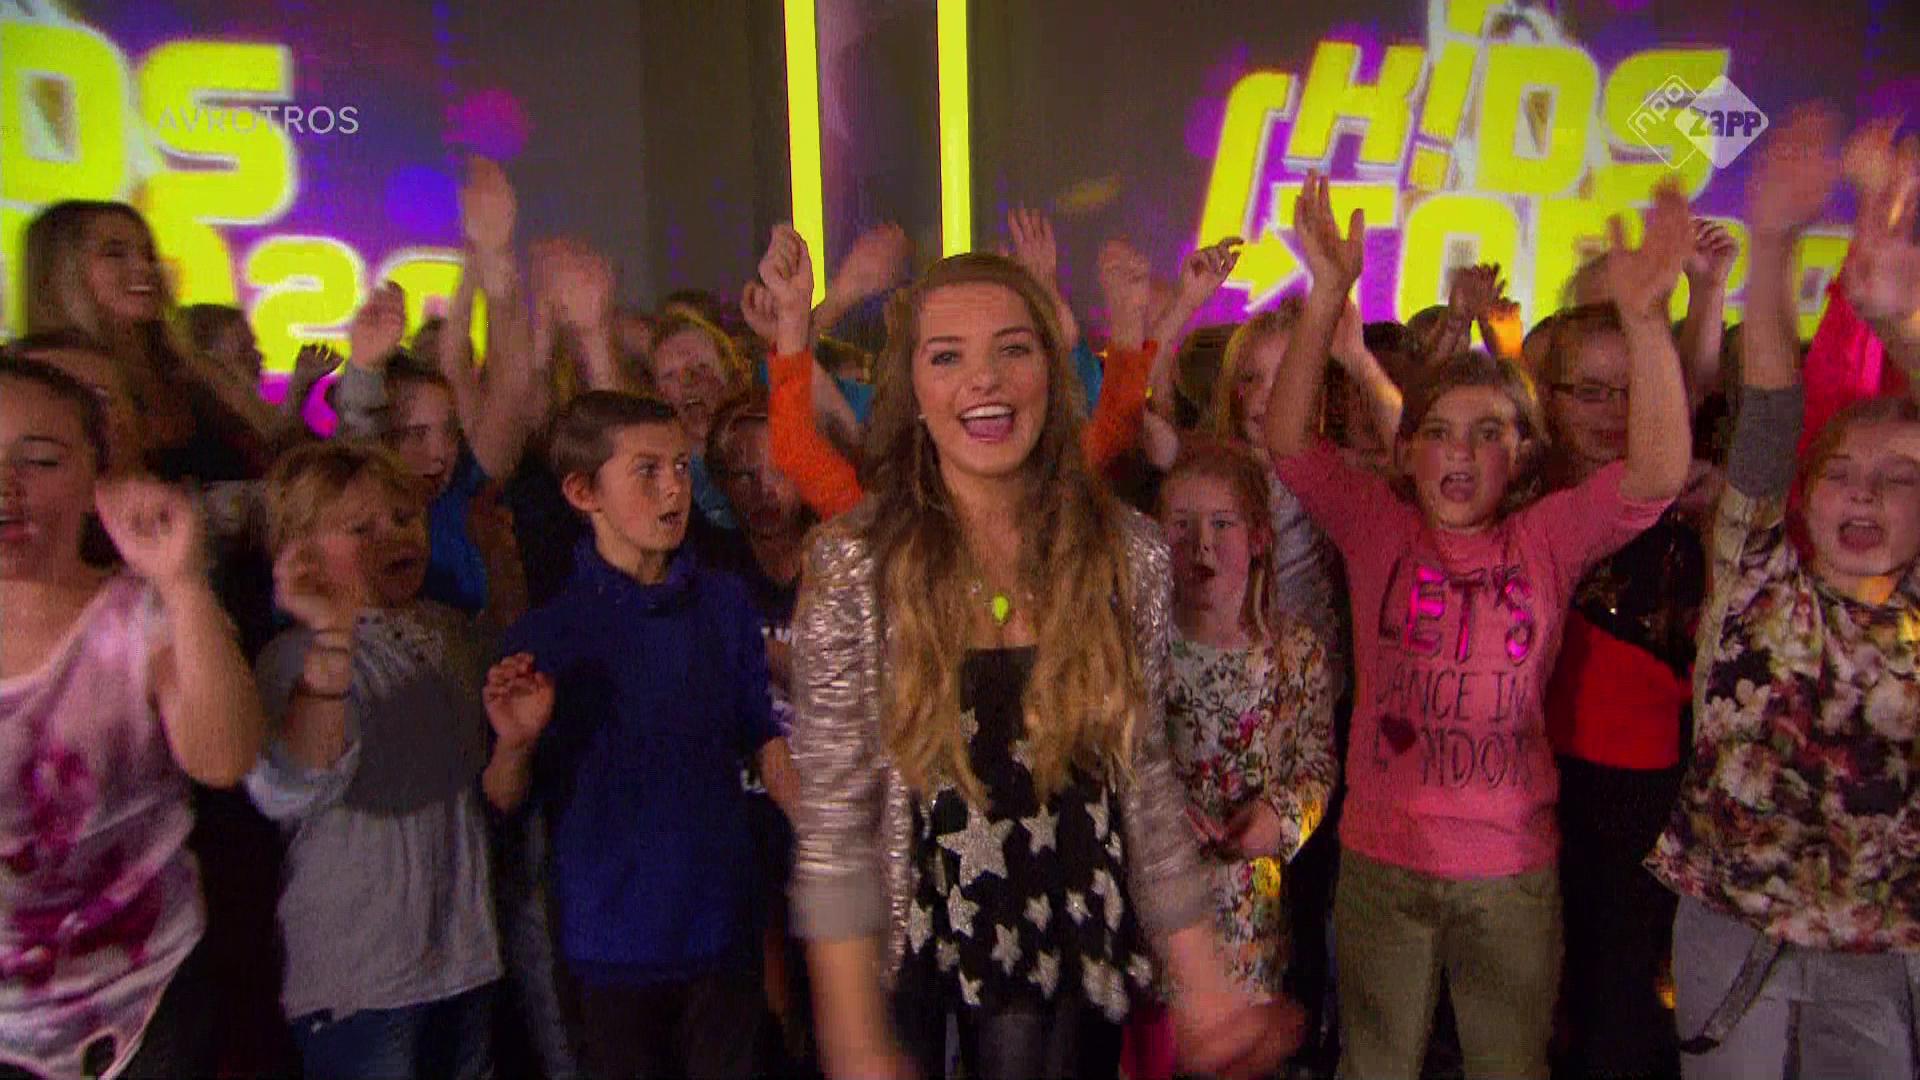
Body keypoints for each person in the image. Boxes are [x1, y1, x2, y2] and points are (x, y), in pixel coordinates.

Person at [770, 237, 1303, 1080]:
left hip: (1070, 934)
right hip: (910, 944)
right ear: (913, 390)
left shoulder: (1128, 554)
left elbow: (1144, 780)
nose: (983, 379)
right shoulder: (854, 566)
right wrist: (853, 1034)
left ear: (1051, 374)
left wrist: (1204, 988)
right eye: (948, 356)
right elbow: (836, 819)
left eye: (1012, 350)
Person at [1261, 172, 1691, 1079]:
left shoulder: (1548, 538)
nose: (1460, 451)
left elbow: (1656, 473)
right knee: (1377, 1065)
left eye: (1489, 431)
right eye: (1439, 431)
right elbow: (1290, 441)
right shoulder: (1377, 526)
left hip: (1509, 874)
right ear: (1406, 449)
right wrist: (1327, 294)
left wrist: (1647, 324)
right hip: (1382, 864)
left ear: (1525, 454)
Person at [1647, 105, 1920, 1080]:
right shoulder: (1759, 572)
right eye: (1844, 472)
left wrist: (1897, 320)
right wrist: (1771, 242)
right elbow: (1769, 406)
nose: (1866, 493)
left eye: (1900, 478)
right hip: (1733, 927)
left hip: (1882, 947)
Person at [490, 391, 799, 1080]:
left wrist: (839, 847)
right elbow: (504, 799)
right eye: (647, 471)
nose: (674, 489)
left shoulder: (722, 603)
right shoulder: (550, 634)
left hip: (721, 928)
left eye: (683, 467)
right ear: (583, 492)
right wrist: (515, 742)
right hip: (611, 944)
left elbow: (765, 740)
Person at [0, 356, 264, 1078]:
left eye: (41, 460)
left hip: (148, 993)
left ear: (97, 479)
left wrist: (182, 582)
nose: (7, 487)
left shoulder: (137, 617)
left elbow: (225, 758)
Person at [243, 441, 508, 1080]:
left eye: (403, 517)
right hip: (362, 980)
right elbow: (290, 786)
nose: (393, 536)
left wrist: (499, 556)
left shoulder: (444, 631)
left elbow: (497, 695)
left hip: (463, 957)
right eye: (360, 528)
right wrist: (333, 636)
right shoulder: (291, 657)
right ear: (299, 552)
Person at [1538, 302, 1707, 1078]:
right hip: (1530, 778)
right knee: (1545, 984)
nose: (1613, 411)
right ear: (1550, 397)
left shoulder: (1689, 503)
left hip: (1643, 787)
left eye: (1633, 390)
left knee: (1620, 991)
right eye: (1590, 391)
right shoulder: (1519, 498)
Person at [1159, 439, 1335, 1000]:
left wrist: (1279, 820)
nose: (1201, 545)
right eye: (1182, 526)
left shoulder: (1295, 652)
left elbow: (1316, 768)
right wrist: (1157, 815)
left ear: (1258, 538)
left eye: (1222, 524)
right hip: (1160, 900)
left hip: (1251, 910)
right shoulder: (1143, 647)